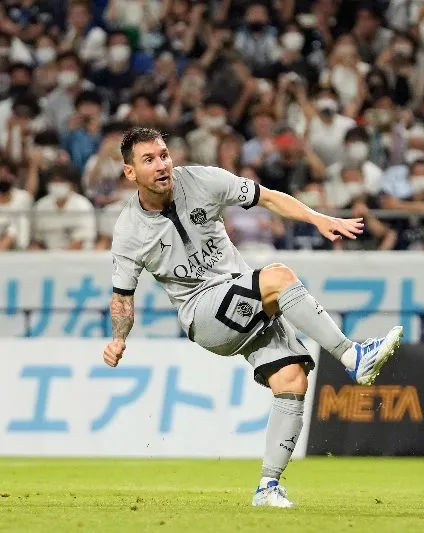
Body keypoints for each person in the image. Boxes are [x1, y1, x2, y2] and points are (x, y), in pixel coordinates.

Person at [102, 128, 403, 508]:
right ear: (130, 173)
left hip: (242, 300)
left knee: (291, 378)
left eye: (163, 154)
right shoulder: (129, 230)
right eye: (149, 160)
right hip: (203, 314)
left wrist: (316, 218)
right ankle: (350, 356)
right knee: (277, 276)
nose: (162, 165)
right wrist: (119, 338)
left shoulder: (204, 180)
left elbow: (269, 197)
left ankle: (268, 487)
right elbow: (122, 297)